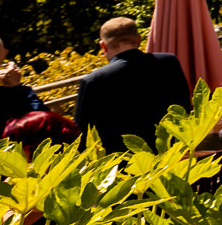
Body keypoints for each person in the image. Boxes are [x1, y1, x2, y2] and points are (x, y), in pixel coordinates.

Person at [74, 17, 193, 152]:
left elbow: (82, 132)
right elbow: (183, 106)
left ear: (103, 46)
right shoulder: (169, 62)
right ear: (139, 40)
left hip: (123, 163)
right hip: (173, 152)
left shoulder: (93, 80)